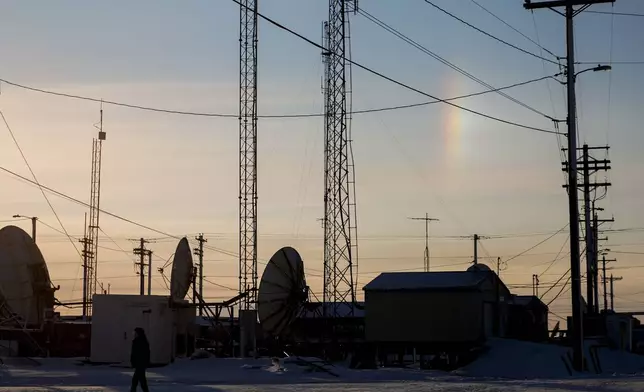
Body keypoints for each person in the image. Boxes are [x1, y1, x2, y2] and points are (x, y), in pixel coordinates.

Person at [130, 327, 150, 392]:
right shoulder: (142, 341)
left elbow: (139, 353)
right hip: (140, 363)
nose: (134, 334)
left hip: (140, 363)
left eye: (135, 333)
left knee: (137, 380)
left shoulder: (139, 342)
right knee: (140, 379)